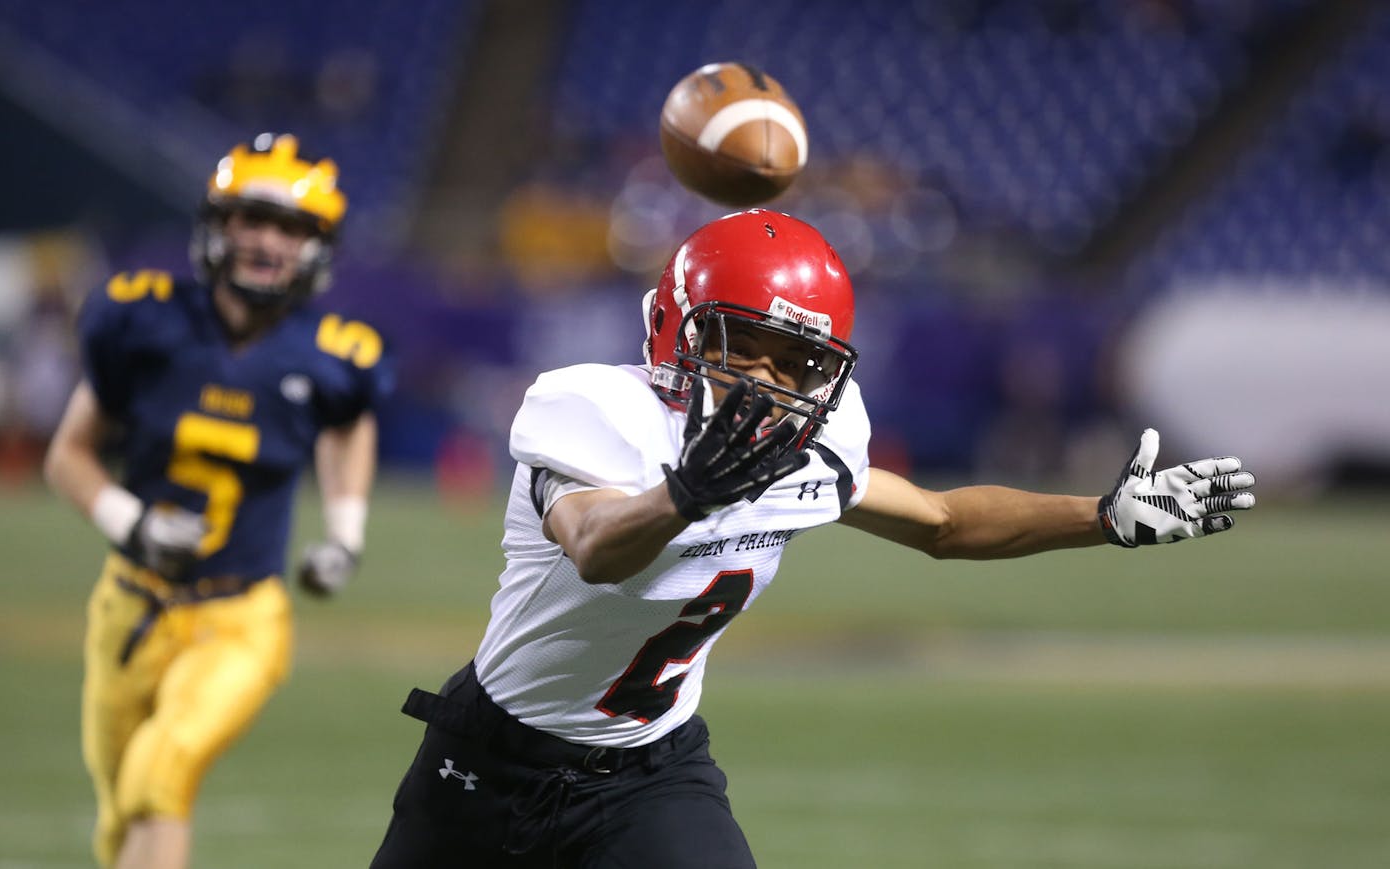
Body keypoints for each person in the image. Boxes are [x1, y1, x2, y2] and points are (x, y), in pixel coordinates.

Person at [368, 209, 1256, 868]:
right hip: (491, 757)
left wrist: (1100, 518)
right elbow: (597, 544)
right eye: (745, 345)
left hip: (648, 770)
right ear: (679, 330)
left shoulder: (813, 446)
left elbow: (942, 522)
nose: (768, 379)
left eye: (797, 364)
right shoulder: (594, 408)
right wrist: (685, 495)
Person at [43, 132, 393, 869]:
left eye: (291, 227)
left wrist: (346, 534)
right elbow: (67, 454)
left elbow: (348, 423)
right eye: (252, 218)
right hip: (129, 604)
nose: (268, 241)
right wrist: (132, 521)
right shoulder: (142, 320)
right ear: (218, 224)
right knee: (119, 816)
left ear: (316, 247)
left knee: (162, 770)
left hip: (240, 616)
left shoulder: (332, 352)